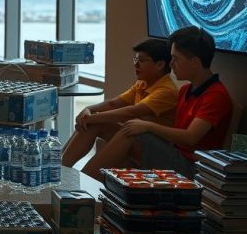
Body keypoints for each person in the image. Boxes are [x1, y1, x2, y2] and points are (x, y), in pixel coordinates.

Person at [82, 26, 233, 180]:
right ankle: (65, 176)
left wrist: (149, 126)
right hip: (174, 153)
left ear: (194, 62)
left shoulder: (215, 95)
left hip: (192, 168)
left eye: (175, 58)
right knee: (113, 126)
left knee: (130, 132)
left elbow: (190, 138)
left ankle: (84, 184)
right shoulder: (186, 90)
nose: (171, 64)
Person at [61, 38, 177, 167]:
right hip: (139, 139)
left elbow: (131, 112)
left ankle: (64, 172)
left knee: (97, 122)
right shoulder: (143, 83)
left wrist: (90, 118)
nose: (136, 65)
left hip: (154, 148)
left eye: (142, 60)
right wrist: (88, 110)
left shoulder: (166, 91)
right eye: (135, 60)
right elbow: (114, 103)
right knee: (93, 123)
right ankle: (60, 167)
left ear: (160, 65)